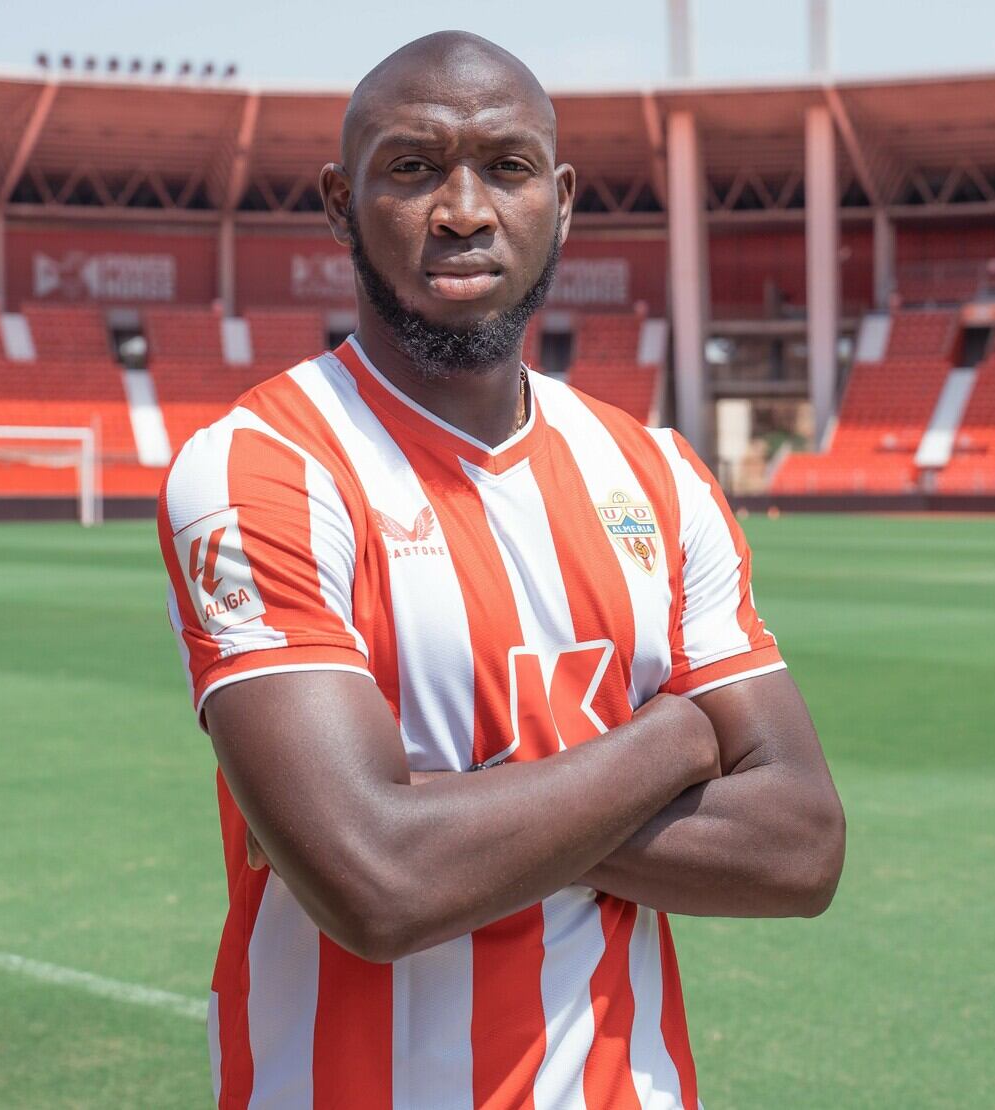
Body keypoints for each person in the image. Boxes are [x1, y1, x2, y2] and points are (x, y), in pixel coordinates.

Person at [156, 30, 844, 1108]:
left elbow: (801, 847)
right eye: (415, 167)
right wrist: (675, 736)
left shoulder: (654, 473)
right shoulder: (261, 468)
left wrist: (453, 820)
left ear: (560, 199)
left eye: (508, 168)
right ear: (341, 202)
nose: (464, 210)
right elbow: (376, 882)